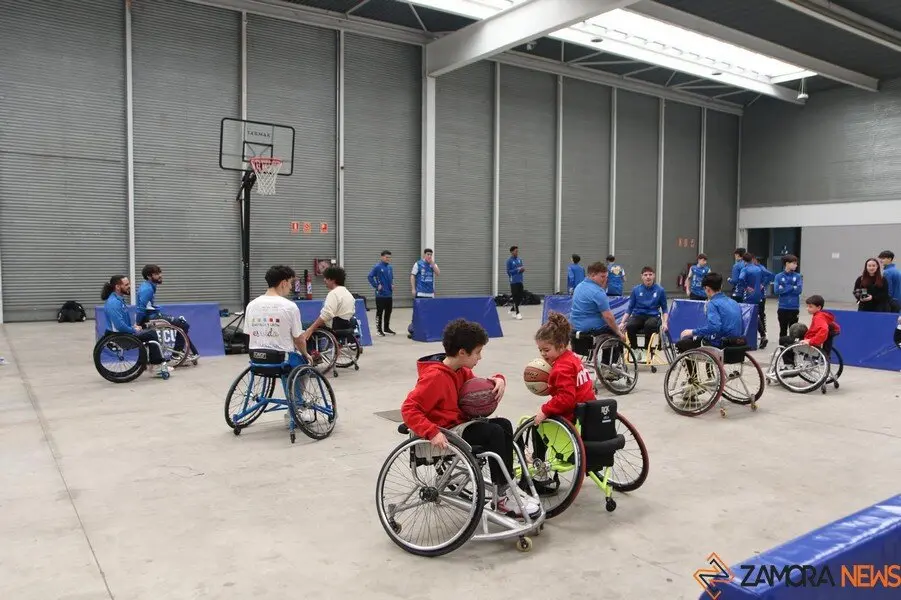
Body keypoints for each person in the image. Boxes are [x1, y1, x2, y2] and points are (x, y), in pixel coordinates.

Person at [400, 319, 539, 518]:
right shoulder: (434, 377)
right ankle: (502, 498)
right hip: (445, 433)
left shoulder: (461, 370)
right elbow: (409, 409)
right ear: (462, 353)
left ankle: (505, 488)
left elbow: (476, 387)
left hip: (460, 426)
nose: (480, 357)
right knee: (494, 432)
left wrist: (497, 379)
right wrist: (432, 432)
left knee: (504, 424)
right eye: (477, 352)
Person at [533, 312, 597, 425]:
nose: (543, 354)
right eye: (540, 350)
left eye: (546, 350)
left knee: (538, 425)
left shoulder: (561, 368)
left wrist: (545, 410)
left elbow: (566, 398)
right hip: (591, 409)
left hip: (575, 417)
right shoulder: (573, 357)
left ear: (561, 346)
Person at [100, 275, 166, 376]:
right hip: (120, 337)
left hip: (121, 333)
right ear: (117, 287)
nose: (130, 286)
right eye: (126, 284)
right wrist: (133, 330)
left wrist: (134, 327)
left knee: (146, 330)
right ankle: (156, 365)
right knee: (151, 334)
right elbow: (119, 326)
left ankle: (149, 363)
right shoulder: (114, 303)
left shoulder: (117, 299)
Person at [244, 265, 310, 365]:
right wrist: (306, 354)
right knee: (304, 365)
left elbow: (248, 333)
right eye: (290, 283)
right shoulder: (290, 307)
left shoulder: (251, 305)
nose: (291, 287)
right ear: (283, 283)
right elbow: (299, 339)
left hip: (256, 358)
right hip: (282, 359)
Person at [135, 264, 199, 360]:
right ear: (149, 276)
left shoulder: (149, 286)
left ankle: (178, 351)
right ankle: (176, 355)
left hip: (152, 315)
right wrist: (137, 323)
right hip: (151, 317)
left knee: (181, 325)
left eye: (160, 273)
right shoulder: (147, 289)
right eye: (156, 274)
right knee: (184, 325)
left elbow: (146, 305)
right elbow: (141, 309)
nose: (160, 275)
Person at [676, 272, 744, 354]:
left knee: (682, 343)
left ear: (707, 289)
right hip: (736, 342)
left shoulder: (712, 304)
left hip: (720, 344)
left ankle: (690, 366)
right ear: (721, 286)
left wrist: (692, 332)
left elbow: (714, 327)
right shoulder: (734, 302)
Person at [619, 266, 669, 361]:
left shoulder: (660, 290)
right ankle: (635, 349)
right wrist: (622, 322)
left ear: (654, 276)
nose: (648, 277)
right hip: (638, 315)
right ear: (642, 276)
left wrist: (665, 323)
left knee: (649, 325)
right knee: (630, 325)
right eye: (645, 275)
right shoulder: (636, 290)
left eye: (650, 274)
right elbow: (630, 308)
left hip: (653, 316)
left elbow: (665, 309)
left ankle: (647, 350)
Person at [570, 262, 626, 342]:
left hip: (575, 328)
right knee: (615, 331)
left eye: (606, 277)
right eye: (602, 277)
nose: (605, 280)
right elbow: (608, 317)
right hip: (591, 330)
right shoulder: (598, 292)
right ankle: (614, 354)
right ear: (592, 275)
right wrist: (619, 333)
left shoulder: (578, 287)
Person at [300, 266, 357, 344]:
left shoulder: (333, 294)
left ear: (332, 280)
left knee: (303, 326)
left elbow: (326, 315)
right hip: (346, 325)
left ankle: (310, 354)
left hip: (333, 326)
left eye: (326, 278)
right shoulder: (348, 293)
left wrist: (311, 329)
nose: (324, 280)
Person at [779, 295, 840, 367]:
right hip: (813, 342)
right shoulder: (822, 315)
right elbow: (832, 329)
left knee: (783, 340)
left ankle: (789, 364)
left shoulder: (819, 317)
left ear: (819, 307)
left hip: (811, 344)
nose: (807, 308)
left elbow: (824, 330)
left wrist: (810, 341)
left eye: (810, 307)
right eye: (807, 306)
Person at [738, 253, 768, 349]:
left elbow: (740, 279)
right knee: (756, 314)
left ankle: (746, 338)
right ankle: (763, 335)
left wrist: (746, 287)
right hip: (758, 295)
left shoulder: (745, 269)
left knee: (747, 315)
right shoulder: (758, 268)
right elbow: (767, 276)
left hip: (749, 295)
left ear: (744, 260)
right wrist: (762, 285)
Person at [408, 248, 440, 339]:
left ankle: (427, 330)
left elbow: (438, 273)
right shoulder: (418, 264)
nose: (429, 256)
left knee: (430, 313)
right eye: (428, 254)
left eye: (431, 254)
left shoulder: (432, 264)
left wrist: (433, 265)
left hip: (430, 293)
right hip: (420, 292)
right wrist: (413, 289)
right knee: (417, 313)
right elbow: (412, 276)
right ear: (424, 255)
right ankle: (413, 331)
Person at [774, 254, 803, 338]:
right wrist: (792, 286)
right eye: (794, 263)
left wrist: (785, 287)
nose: (796, 265)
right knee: (783, 330)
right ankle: (782, 349)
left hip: (794, 308)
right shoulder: (778, 276)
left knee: (793, 331)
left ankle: (791, 350)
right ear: (787, 264)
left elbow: (799, 290)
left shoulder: (798, 276)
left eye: (796, 263)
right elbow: (776, 291)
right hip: (782, 307)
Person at [368, 250, 395, 336]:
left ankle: (386, 328)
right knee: (380, 312)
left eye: (389, 257)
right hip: (380, 295)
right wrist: (376, 286)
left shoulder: (390, 267)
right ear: (382, 257)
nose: (388, 259)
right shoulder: (377, 267)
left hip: (389, 294)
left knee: (388, 311)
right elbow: (370, 276)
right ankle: (379, 330)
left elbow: (391, 278)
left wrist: (392, 284)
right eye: (387, 257)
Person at [506, 245, 525, 320]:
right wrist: (517, 270)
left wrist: (522, 269)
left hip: (520, 280)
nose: (517, 252)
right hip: (513, 281)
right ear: (511, 252)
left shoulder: (519, 260)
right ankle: (517, 313)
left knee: (520, 297)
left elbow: (521, 268)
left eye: (517, 251)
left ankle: (513, 308)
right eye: (515, 251)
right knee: (515, 297)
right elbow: (508, 272)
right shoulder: (509, 261)